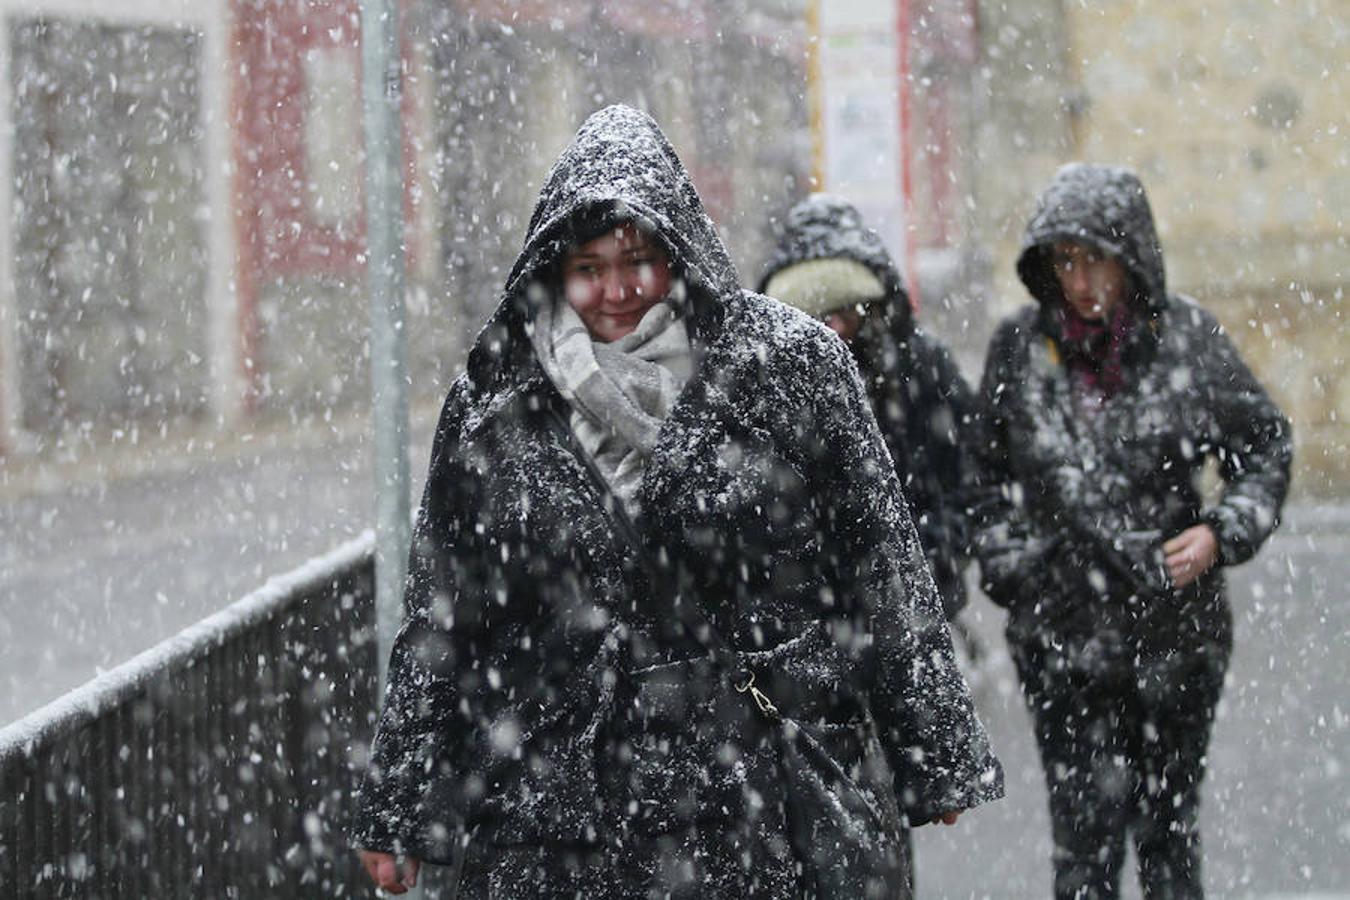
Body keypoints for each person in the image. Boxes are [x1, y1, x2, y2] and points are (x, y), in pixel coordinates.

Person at [351, 104, 1003, 898]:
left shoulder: (789, 364)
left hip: (751, 799)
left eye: (637, 259)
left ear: (680, 251)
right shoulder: (495, 400)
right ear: (552, 269)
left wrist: (933, 749)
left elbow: (881, 557)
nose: (617, 290)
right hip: (555, 815)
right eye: (588, 267)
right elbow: (441, 616)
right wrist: (397, 805)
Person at [972, 163, 1292, 899]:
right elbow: (978, 478)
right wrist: (1010, 558)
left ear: (1130, 258)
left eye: (1096, 258)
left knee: (1168, 841)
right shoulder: (1019, 349)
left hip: (1175, 636)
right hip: (1061, 638)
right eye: (1064, 260)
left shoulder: (1186, 341)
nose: (1080, 280)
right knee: (1082, 852)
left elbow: (1265, 446)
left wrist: (1218, 532)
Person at [758, 194, 978, 624]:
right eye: (813, 313)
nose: (832, 329)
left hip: (918, 614)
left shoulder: (922, 369)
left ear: (874, 307)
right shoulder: (763, 385)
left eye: (844, 311)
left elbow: (968, 479)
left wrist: (929, 561)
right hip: (806, 630)